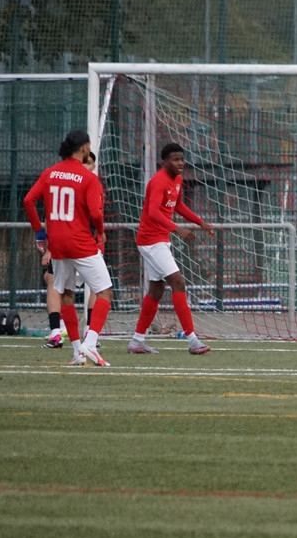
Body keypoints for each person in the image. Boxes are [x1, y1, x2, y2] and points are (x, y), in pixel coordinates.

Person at [23, 130, 112, 367]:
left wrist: (40, 233)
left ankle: (77, 352)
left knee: (66, 294)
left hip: (57, 244)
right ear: (84, 149)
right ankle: (90, 343)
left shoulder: (50, 173)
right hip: (81, 242)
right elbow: (95, 214)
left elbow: (28, 200)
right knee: (104, 292)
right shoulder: (88, 178)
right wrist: (100, 232)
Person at [128, 143, 215, 355]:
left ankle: (137, 341)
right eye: (175, 160)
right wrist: (177, 229)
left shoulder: (178, 179)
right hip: (151, 241)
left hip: (160, 240)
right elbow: (153, 211)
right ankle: (192, 340)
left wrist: (200, 222)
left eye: (182, 159)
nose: (180, 163)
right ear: (164, 162)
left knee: (156, 290)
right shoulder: (158, 181)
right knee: (178, 282)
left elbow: (178, 205)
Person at [41, 151, 99, 348]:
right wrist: (49, 248)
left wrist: (99, 239)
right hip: (65, 247)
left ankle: (90, 332)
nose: (84, 166)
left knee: (99, 287)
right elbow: (51, 217)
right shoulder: (63, 186)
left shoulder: (93, 185)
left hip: (87, 247)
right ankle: (56, 331)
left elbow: (97, 217)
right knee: (53, 282)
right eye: (82, 162)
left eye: (88, 163)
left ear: (93, 166)